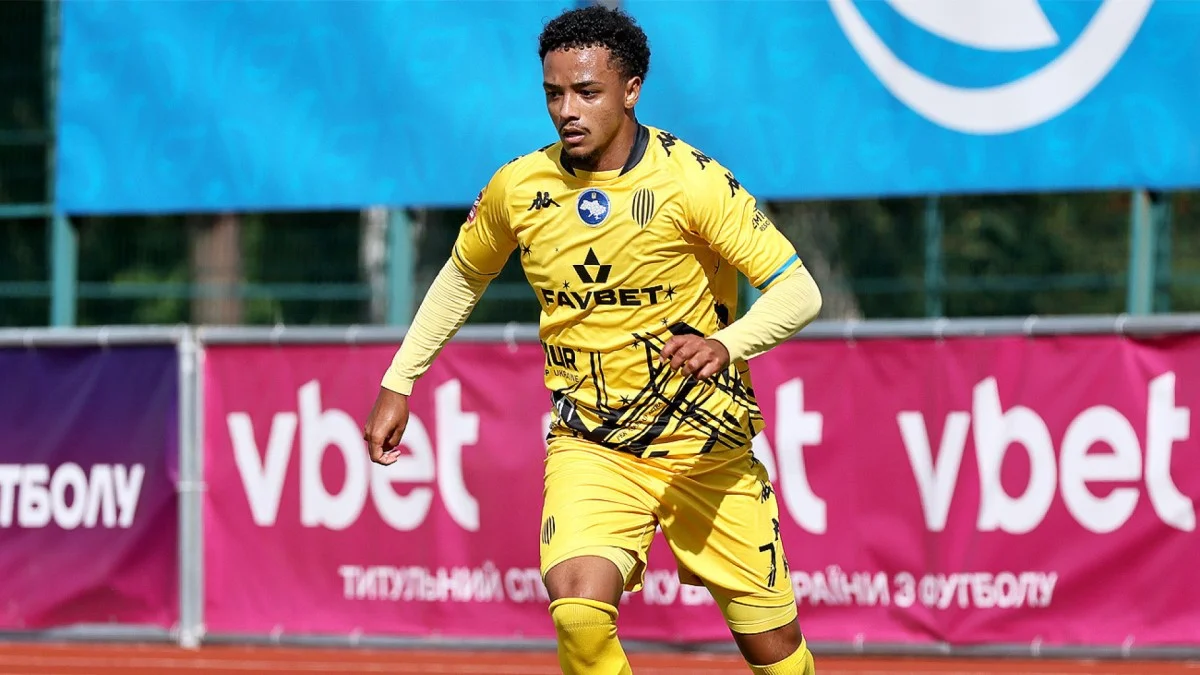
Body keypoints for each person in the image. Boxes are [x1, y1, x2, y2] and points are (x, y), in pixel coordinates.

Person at [364, 5, 822, 673]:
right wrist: (399, 379)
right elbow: (462, 277)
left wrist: (728, 343)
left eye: (586, 91)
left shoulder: (692, 181)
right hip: (593, 444)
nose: (566, 111)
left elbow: (799, 291)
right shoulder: (519, 187)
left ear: (631, 89)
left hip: (706, 451)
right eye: (553, 93)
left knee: (776, 654)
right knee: (578, 612)